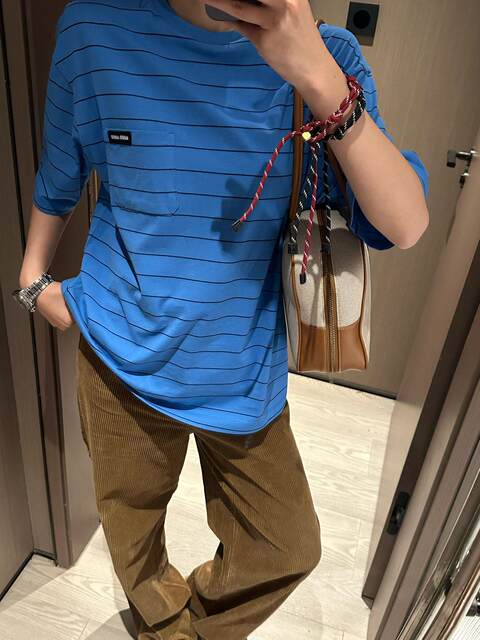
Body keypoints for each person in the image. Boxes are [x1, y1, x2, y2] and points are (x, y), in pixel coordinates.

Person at [16, 1, 430, 638]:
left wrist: (318, 77)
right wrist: (33, 276)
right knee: (132, 535)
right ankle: (163, 626)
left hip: (242, 365)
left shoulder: (329, 57)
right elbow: (62, 166)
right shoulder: (94, 28)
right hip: (117, 356)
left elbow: (403, 225)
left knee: (286, 546)